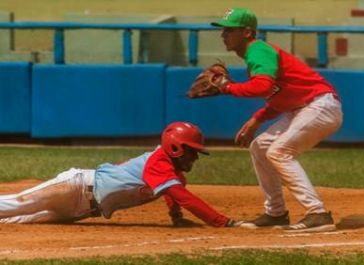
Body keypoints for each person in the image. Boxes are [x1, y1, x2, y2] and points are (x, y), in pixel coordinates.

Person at [209, 8, 343, 232]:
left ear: (247, 32)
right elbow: (280, 96)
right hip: (305, 107)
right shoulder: (257, 54)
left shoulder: (258, 50)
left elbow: (262, 86)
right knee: (260, 147)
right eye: (224, 29)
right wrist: (257, 119)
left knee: (279, 152)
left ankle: (318, 213)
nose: (224, 34)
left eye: (230, 30)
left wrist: (227, 88)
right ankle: (276, 213)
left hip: (320, 105)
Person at [0, 121, 242, 228]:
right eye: (192, 152)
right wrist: (222, 222)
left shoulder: (170, 172)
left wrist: (176, 218)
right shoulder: (158, 162)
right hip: (76, 187)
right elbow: (181, 195)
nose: (195, 157)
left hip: (84, 211)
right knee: (16, 205)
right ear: (176, 148)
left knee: (17, 220)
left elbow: (174, 194)